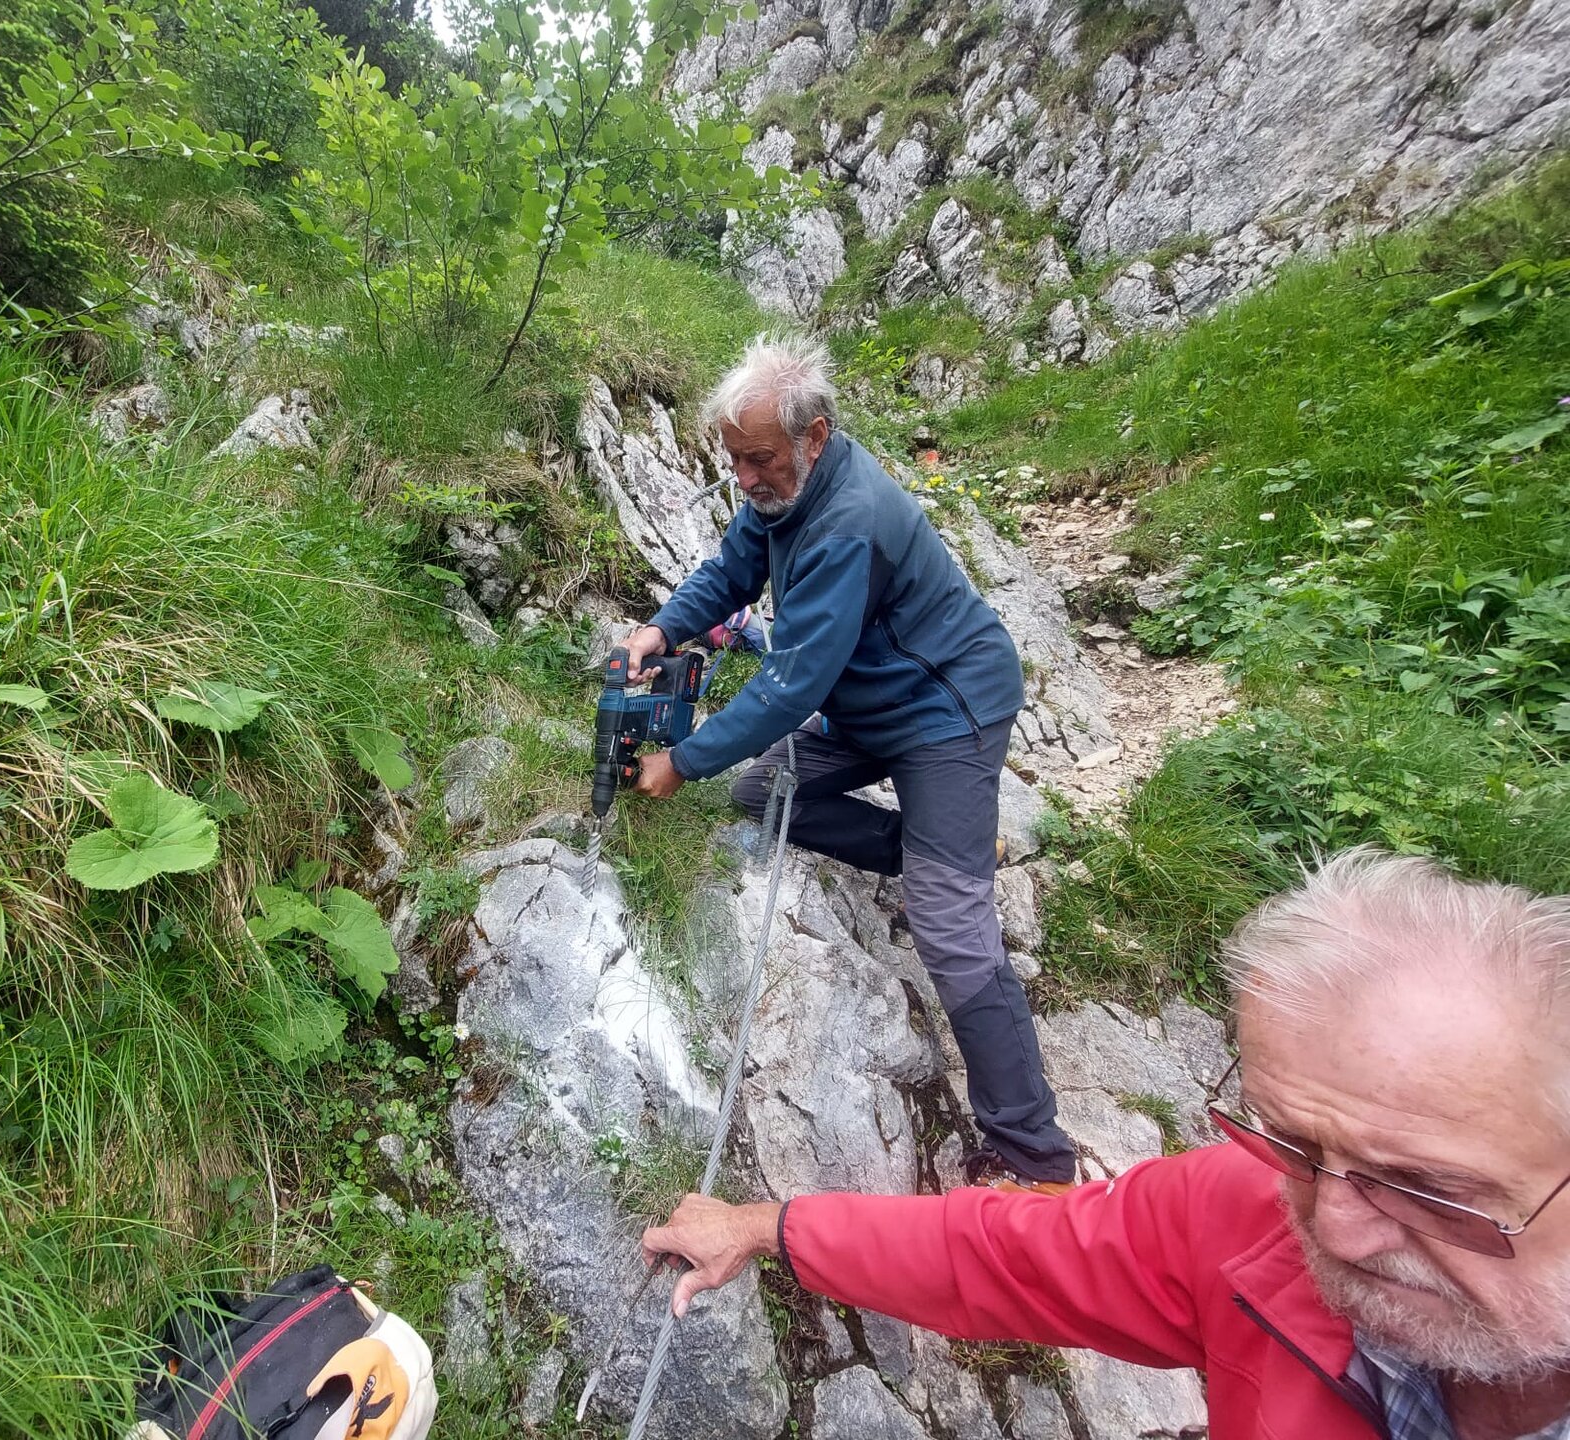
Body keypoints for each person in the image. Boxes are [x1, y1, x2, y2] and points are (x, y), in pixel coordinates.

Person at [641, 848, 1570, 1440]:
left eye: (1428, 1188)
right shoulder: (1244, 1213)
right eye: (1293, 1144)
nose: (1335, 1229)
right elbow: (1008, 1255)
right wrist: (770, 1227)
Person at [619, 333, 1075, 1188]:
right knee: (762, 794)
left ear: (814, 436)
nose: (747, 478)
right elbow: (728, 575)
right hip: (867, 705)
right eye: (736, 461)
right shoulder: (778, 498)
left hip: (947, 711)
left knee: (950, 928)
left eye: (759, 459)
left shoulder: (849, 520)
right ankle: (951, 847)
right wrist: (660, 629)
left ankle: (1035, 1154)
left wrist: (682, 759)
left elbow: (790, 689)